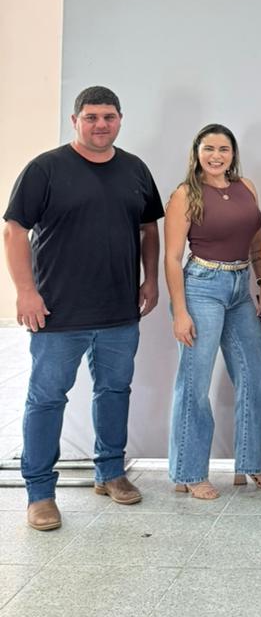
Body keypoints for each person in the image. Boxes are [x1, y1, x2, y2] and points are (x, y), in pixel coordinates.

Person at [2, 85, 164, 531]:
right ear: (75, 121)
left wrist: (151, 279)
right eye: (91, 117)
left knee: (114, 391)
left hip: (119, 310)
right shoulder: (46, 169)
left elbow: (149, 228)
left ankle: (110, 472)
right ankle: (40, 493)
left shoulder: (134, 169)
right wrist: (25, 291)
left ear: (120, 119)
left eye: (108, 116)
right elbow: (14, 230)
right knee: (47, 399)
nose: (100, 124)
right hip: (58, 312)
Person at [164, 123, 261, 499]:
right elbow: (172, 257)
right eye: (209, 149)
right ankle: (189, 472)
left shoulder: (247, 187)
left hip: (240, 287)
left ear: (233, 154)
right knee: (195, 382)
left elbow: (256, 238)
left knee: (258, 375)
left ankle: (252, 463)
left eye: (223, 149)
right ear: (197, 153)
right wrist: (180, 311)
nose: (216, 156)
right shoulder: (185, 194)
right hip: (201, 287)